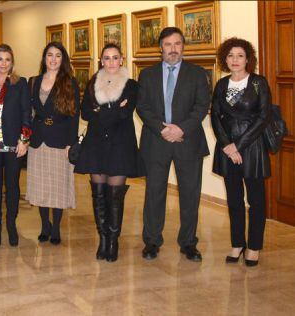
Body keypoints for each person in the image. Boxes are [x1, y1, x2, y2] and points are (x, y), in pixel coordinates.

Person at [136, 27, 211, 262]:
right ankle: (152, 241)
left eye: (177, 44)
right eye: (168, 44)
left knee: (190, 194)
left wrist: (180, 129)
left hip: (187, 141)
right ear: (160, 47)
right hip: (156, 142)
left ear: (183, 46)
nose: (173, 49)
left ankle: (188, 243)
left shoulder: (198, 74)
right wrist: (163, 129)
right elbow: (143, 107)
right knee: (154, 193)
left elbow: (201, 105)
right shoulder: (147, 75)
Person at [74, 43, 140, 262]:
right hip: (96, 145)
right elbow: (85, 113)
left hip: (120, 145)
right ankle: (102, 238)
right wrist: (112, 108)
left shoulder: (131, 85)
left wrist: (101, 110)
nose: (111, 62)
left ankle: (113, 241)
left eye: (115, 58)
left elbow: (125, 113)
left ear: (121, 60)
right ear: (101, 61)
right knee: (98, 194)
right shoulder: (93, 82)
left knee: (115, 196)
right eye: (106, 58)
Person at [210, 37, 272, 267]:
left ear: (248, 59)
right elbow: (215, 116)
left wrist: (239, 145)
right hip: (227, 149)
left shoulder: (258, 83)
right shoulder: (222, 84)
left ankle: (254, 247)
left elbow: (263, 117)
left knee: (256, 201)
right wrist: (227, 145)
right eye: (230, 55)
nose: (235, 60)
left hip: (252, 148)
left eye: (240, 55)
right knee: (234, 200)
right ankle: (237, 244)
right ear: (225, 59)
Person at [26, 41, 80, 245]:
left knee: (57, 186)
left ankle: (56, 227)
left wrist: (70, 143)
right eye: (50, 55)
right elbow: (29, 113)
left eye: (58, 55)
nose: (53, 59)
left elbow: (74, 115)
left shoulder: (70, 82)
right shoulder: (34, 81)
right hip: (38, 140)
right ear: (44, 58)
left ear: (63, 59)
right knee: (40, 185)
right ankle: (44, 226)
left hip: (60, 140)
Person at [0, 44, 31, 247]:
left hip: (14, 144)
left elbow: (26, 114)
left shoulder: (20, 84)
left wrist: (24, 139)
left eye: (7, 59)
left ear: (12, 62)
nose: (3, 63)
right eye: (0, 59)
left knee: (12, 186)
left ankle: (11, 225)